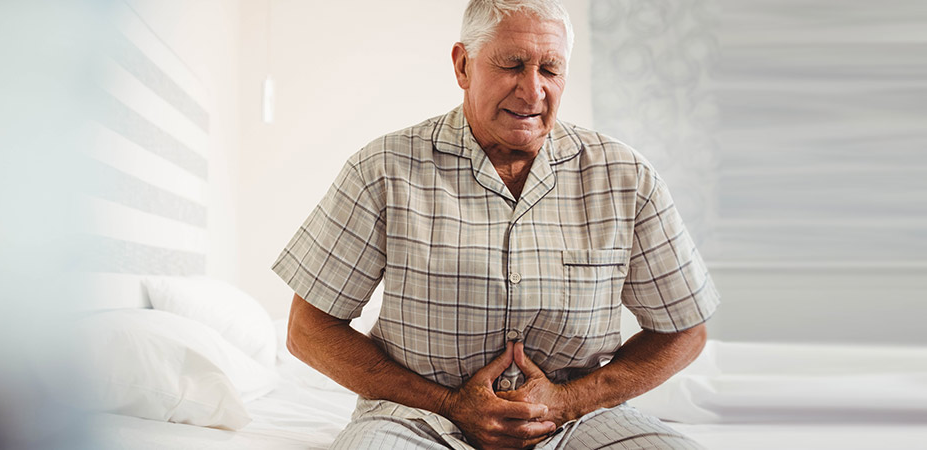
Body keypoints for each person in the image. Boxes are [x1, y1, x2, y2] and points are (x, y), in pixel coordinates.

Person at [271, 0, 720, 448]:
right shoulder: (383, 169)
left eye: (550, 69)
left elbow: (685, 329)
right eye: (512, 65)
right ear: (463, 65)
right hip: (415, 418)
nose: (532, 90)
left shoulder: (625, 176)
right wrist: (449, 405)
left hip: (576, 421)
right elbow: (309, 330)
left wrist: (568, 401)